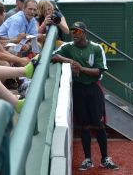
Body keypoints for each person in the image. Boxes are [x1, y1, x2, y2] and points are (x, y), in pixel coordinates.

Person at [51, 22, 119, 171]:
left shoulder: (96, 47)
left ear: (84, 33)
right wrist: (69, 61)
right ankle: (88, 159)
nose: (74, 34)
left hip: (94, 89)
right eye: (72, 31)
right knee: (84, 125)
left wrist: (80, 68)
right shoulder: (68, 47)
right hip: (78, 89)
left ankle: (104, 158)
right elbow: (53, 56)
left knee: (100, 124)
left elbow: (99, 71)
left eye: (77, 31)